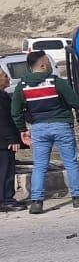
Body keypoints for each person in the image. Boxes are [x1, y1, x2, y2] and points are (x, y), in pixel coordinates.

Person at [11, 50, 79, 214]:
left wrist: (22, 129)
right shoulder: (56, 82)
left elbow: (15, 111)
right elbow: (75, 102)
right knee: (71, 162)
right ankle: (78, 198)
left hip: (38, 128)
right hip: (61, 126)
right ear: (43, 64)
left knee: (40, 166)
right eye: (48, 62)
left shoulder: (22, 86)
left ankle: (37, 202)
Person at [0, 70, 24, 211]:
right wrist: (12, 139)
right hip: (3, 142)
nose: (8, 78)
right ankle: (5, 200)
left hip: (4, 140)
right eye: (5, 76)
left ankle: (7, 198)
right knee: (5, 171)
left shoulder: (4, 95)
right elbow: (2, 121)